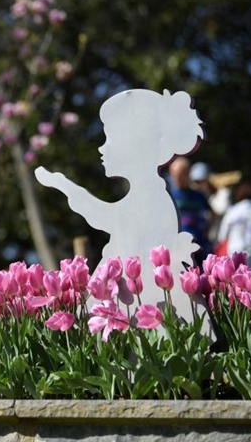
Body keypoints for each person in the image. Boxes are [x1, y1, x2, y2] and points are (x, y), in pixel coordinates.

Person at [35, 89, 206, 329]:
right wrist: (64, 186)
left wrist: (65, 187)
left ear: (135, 146)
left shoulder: (152, 198)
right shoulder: (145, 195)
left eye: (109, 139)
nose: (101, 149)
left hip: (149, 303)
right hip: (136, 297)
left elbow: (105, 217)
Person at [169, 157, 213, 265]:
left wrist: (207, 230)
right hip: (178, 245)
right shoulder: (169, 196)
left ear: (188, 174)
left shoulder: (198, 196)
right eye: (175, 175)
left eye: (181, 174)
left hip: (199, 242)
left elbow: (212, 214)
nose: (178, 178)